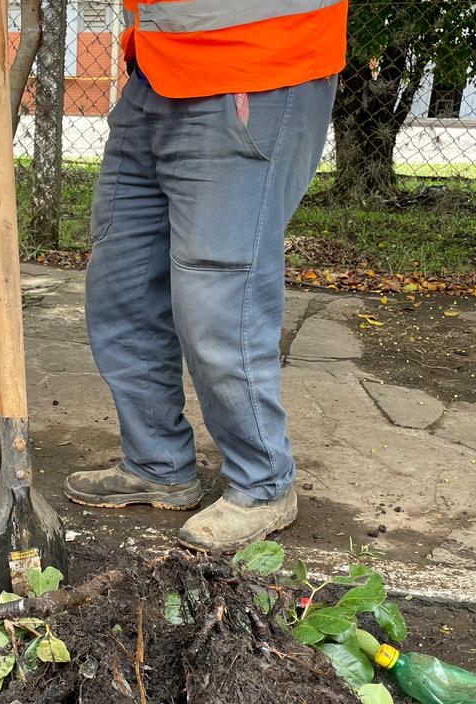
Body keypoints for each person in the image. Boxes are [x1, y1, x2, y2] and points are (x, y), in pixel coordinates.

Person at [64, 0, 346, 552]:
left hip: (255, 69)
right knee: (122, 284)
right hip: (154, 74)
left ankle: (263, 484)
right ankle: (157, 464)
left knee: (218, 298)